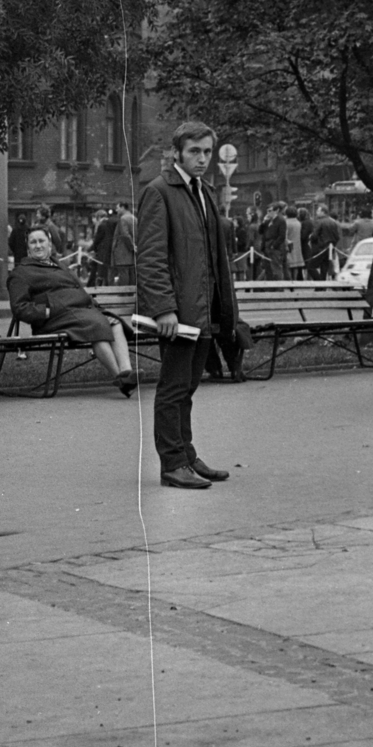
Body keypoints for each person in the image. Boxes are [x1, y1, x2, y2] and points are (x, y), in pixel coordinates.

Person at [136, 120, 242, 488]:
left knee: (190, 386)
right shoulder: (160, 191)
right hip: (180, 311)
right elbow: (151, 257)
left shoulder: (203, 190)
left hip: (205, 308)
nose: (202, 159)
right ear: (177, 152)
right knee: (174, 387)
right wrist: (163, 307)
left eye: (207, 152)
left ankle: (186, 454)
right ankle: (172, 463)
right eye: (195, 151)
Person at [7, 227, 136, 394]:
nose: (38, 246)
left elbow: (77, 290)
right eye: (33, 242)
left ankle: (127, 372)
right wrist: (47, 311)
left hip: (80, 313)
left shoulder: (59, 265)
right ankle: (120, 378)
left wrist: (96, 307)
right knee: (96, 326)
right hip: (53, 319)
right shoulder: (22, 272)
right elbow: (19, 307)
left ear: (50, 243)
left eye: (41, 241)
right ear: (28, 247)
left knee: (114, 322)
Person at [88, 207, 119, 286]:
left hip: (102, 250)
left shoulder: (101, 225)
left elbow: (98, 239)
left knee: (100, 269)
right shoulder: (110, 223)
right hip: (109, 249)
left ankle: (96, 284)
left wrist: (92, 249)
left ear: (98, 217)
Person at [284, 207, 306, 279]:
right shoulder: (298, 223)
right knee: (296, 265)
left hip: (289, 246)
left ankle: (290, 282)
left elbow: (285, 236)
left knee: (288, 266)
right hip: (297, 246)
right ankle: (295, 280)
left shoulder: (286, 223)